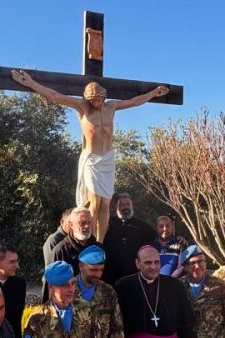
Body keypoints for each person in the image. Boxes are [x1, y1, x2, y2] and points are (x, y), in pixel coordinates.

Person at [11, 69, 169, 242]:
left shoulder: (112, 106)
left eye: (98, 99)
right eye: (92, 100)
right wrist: (31, 83)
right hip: (92, 160)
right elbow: (55, 96)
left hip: (107, 159)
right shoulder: (81, 106)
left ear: (104, 96)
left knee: (106, 204)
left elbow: (134, 102)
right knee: (94, 202)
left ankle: (100, 242)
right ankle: (91, 241)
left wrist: (154, 93)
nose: (95, 103)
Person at [76, 245, 125, 338]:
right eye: (93, 270)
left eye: (101, 270)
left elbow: (117, 331)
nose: (98, 275)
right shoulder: (68, 291)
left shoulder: (108, 292)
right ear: (81, 266)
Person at [102, 193, 156, 284]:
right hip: (111, 277)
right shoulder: (107, 224)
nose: (125, 207)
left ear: (132, 206)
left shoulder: (143, 227)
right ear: (117, 207)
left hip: (135, 277)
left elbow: (161, 240)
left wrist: (177, 239)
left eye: (128, 204)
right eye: (122, 205)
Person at [52, 207, 102, 277]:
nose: (87, 226)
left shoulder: (100, 250)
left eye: (89, 222)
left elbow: (107, 280)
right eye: (82, 223)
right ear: (71, 225)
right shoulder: (61, 251)